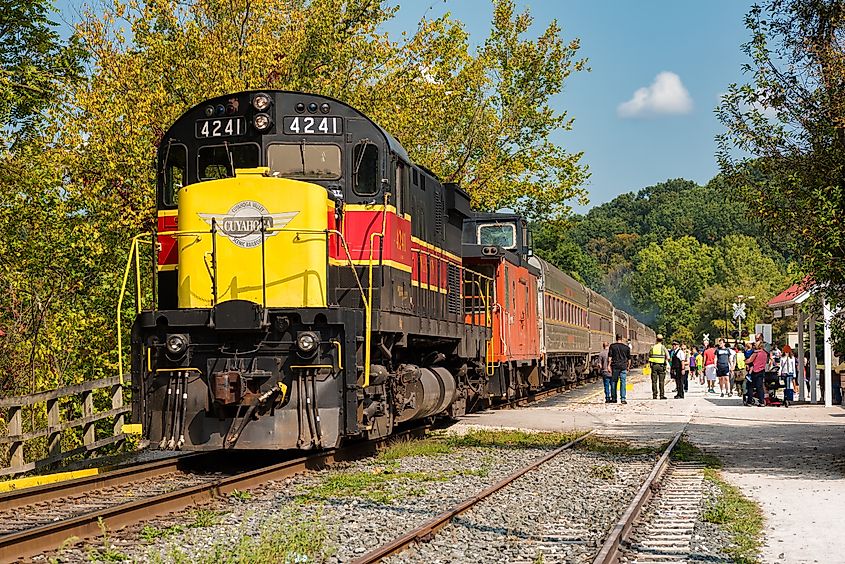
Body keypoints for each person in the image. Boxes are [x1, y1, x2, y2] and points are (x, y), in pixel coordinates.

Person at [608, 333, 631, 404]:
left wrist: (609, 365)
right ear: (622, 339)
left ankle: (614, 398)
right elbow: (629, 359)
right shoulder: (626, 348)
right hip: (623, 366)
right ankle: (623, 399)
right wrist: (628, 367)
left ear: (616, 338)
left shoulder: (612, 346)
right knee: (623, 382)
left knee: (614, 382)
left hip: (615, 366)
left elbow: (610, 358)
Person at [746, 340, 770, 406]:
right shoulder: (765, 353)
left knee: (750, 386)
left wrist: (745, 361)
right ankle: (762, 401)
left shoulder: (756, 353)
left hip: (754, 371)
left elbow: (749, 360)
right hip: (762, 370)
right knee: (760, 387)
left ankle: (749, 401)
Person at [648, 334, 670, 400]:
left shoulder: (652, 347)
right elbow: (668, 357)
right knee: (661, 381)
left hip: (654, 366)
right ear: (662, 340)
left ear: (656, 339)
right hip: (661, 366)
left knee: (654, 381)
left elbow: (649, 355)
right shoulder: (663, 347)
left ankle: (654, 395)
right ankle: (661, 395)